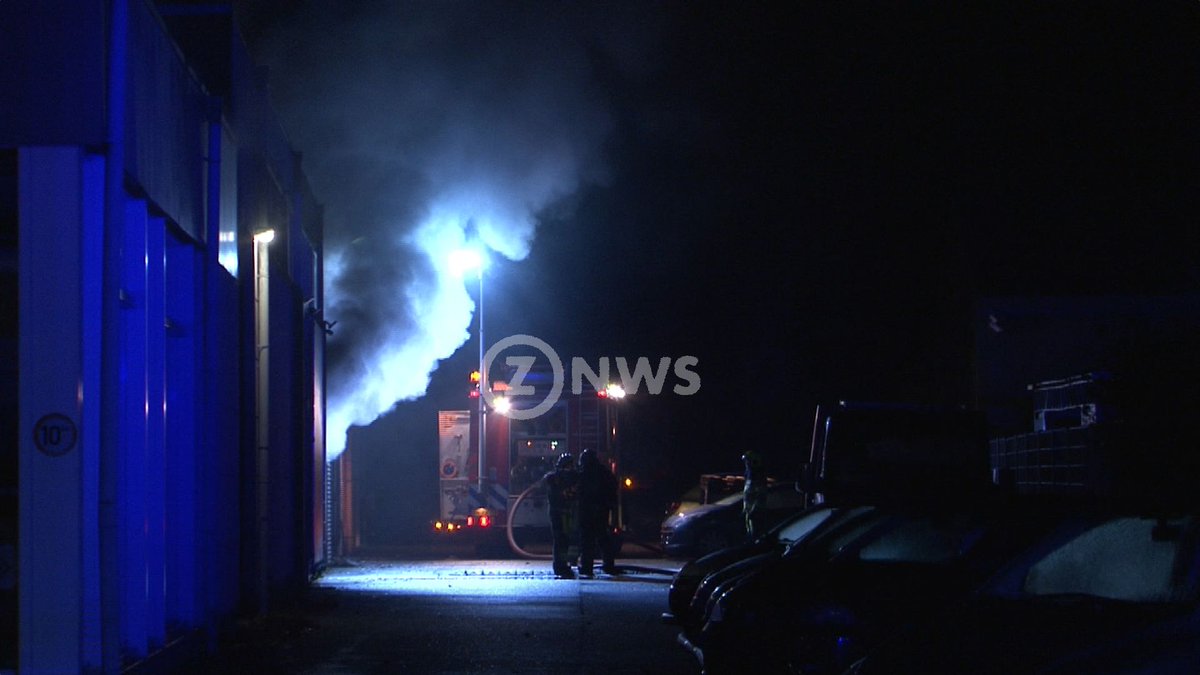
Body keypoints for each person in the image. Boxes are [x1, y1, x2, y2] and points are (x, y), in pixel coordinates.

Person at [576, 448, 619, 577]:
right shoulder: (604, 472)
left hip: (587, 512)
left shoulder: (583, 473)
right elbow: (613, 486)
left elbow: (578, 490)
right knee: (603, 538)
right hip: (601, 511)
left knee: (587, 541)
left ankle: (587, 567)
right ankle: (609, 565)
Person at [542, 452, 579, 579]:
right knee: (562, 541)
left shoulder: (554, 478)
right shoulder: (558, 479)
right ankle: (561, 566)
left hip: (560, 514)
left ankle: (563, 564)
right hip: (561, 514)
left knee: (563, 541)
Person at [742, 449, 768, 539]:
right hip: (750, 512)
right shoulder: (749, 476)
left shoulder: (758, 477)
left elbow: (760, 496)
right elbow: (747, 494)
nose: (746, 463)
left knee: (756, 534)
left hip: (756, 513)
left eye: (747, 461)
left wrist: (754, 510)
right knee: (750, 531)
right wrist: (745, 508)